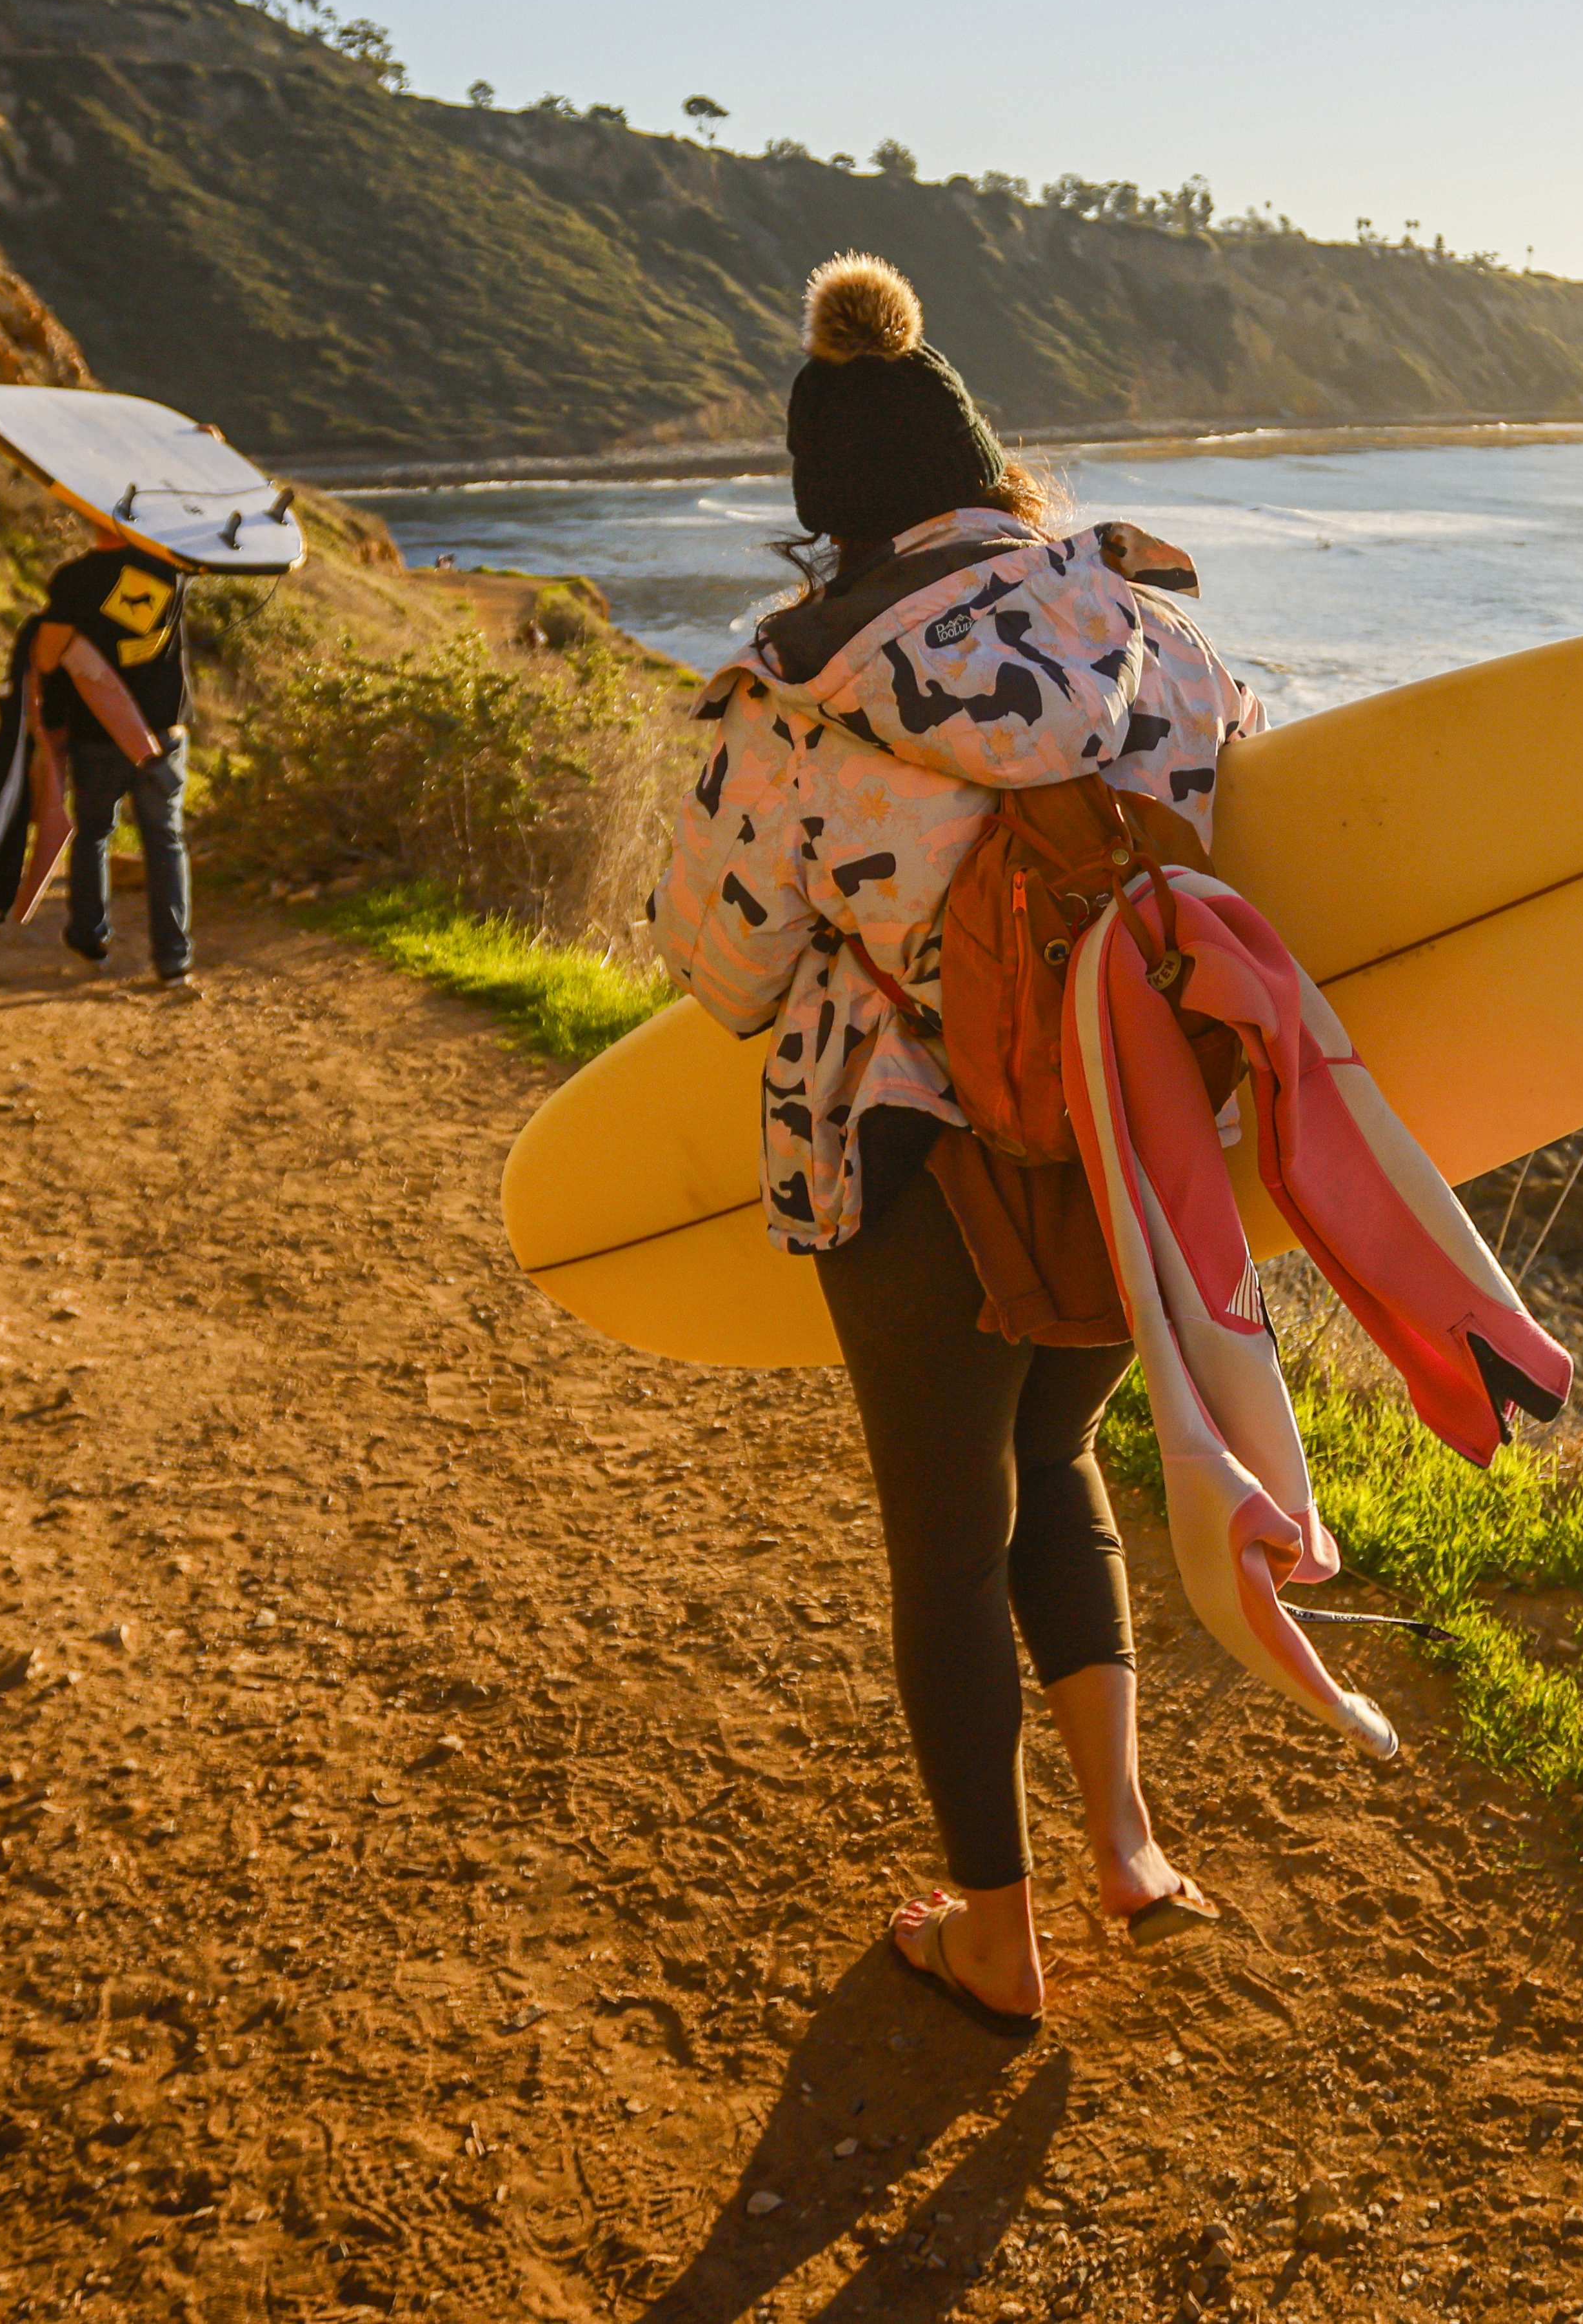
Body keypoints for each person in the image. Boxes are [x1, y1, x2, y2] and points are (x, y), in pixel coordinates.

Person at [650, 254, 1261, 2034]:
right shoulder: (1159, 634)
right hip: (1120, 1131)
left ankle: (994, 1931)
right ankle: (1129, 1847)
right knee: (1055, 1467)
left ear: (823, 521)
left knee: (943, 1530)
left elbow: (725, 970)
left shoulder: (793, 683)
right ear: (996, 483)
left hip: (906, 1148)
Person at [37, 521, 197, 980]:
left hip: (97, 732)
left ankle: (90, 940)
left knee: (93, 834)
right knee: (164, 840)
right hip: (161, 733)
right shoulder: (168, 571)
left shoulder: (74, 577)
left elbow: (48, 658)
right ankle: (172, 960)